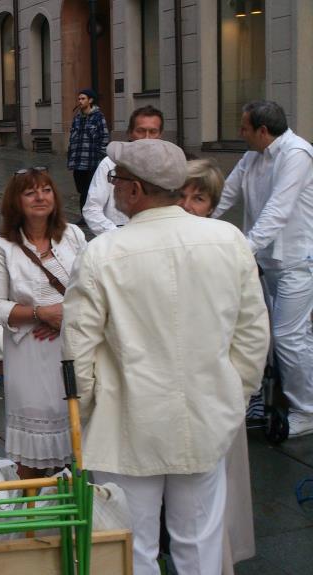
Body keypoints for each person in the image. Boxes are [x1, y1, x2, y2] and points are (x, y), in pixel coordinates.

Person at [62, 139, 269, 575]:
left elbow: (77, 352)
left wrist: (86, 410)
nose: (113, 188)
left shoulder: (102, 252)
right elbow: (252, 337)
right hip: (205, 414)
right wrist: (234, 397)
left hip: (126, 421)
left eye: (116, 180)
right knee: (200, 545)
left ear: (135, 190)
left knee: (130, 550)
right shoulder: (228, 240)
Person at [212, 100, 313, 437]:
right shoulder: (253, 155)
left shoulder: (297, 154)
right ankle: (286, 395)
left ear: (263, 131)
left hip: (298, 261)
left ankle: (306, 410)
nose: (240, 133)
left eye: (244, 128)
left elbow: (278, 211)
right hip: (268, 262)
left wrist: (244, 248)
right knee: (279, 337)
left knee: (288, 337)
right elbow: (226, 193)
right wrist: (193, 223)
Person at [176, 159, 255, 574]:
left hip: (215, 379)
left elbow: (250, 324)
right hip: (175, 377)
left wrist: (238, 387)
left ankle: (219, 559)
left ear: (213, 204)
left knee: (215, 482)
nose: (189, 205)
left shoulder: (228, 242)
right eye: (183, 195)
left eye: (199, 197)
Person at [0, 167, 86, 478]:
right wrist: (40, 313)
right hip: (29, 355)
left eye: (46, 190)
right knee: (32, 454)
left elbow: (92, 288)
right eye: (30, 192)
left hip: (71, 350)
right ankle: (31, 519)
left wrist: (62, 314)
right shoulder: (1, 246)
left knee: (74, 441)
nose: (40, 197)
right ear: (16, 201)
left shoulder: (74, 237)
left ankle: (68, 517)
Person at [82, 105, 163, 235]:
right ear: (130, 133)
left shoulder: (167, 167)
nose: (147, 138)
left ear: (160, 135)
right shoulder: (110, 164)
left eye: (153, 132)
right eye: (141, 131)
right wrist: (117, 235)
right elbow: (92, 209)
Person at [67, 88, 109, 213]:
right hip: (78, 161)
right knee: (81, 189)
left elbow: (105, 136)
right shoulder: (77, 118)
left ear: (90, 100)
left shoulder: (98, 117)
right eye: (79, 99)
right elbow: (72, 138)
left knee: (88, 189)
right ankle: (86, 214)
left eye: (83, 98)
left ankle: (87, 215)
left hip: (92, 160)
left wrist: (101, 155)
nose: (80, 101)